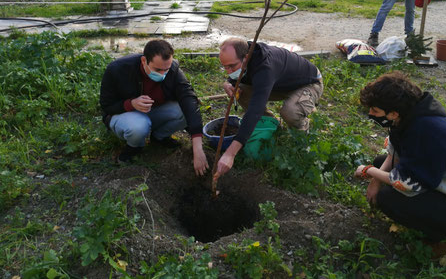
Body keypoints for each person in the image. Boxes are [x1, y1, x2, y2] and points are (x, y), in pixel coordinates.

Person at [354, 72, 446, 245]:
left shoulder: (426, 133)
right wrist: (375, 179)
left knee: (387, 199)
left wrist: (369, 171)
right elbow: (396, 152)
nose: (371, 114)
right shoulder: (411, 115)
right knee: (380, 162)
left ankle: (443, 241)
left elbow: (409, 184)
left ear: (392, 114)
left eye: (375, 110)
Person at [215, 37, 323, 179]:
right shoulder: (245, 57)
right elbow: (238, 77)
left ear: (246, 57)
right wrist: (229, 83)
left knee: (290, 112)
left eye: (232, 66)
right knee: (240, 91)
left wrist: (230, 154)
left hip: (308, 83)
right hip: (279, 83)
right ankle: (272, 124)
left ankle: (302, 132)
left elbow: (255, 109)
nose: (228, 72)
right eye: (225, 67)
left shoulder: (265, 66)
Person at [100, 39, 209, 175]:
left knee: (184, 111)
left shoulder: (173, 70)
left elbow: (189, 99)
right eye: (158, 69)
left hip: (153, 111)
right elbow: (106, 105)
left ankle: (159, 137)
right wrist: (131, 103)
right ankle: (134, 146)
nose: (163, 74)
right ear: (144, 61)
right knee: (139, 126)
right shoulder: (118, 69)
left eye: (166, 70)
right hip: (125, 115)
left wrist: (197, 147)